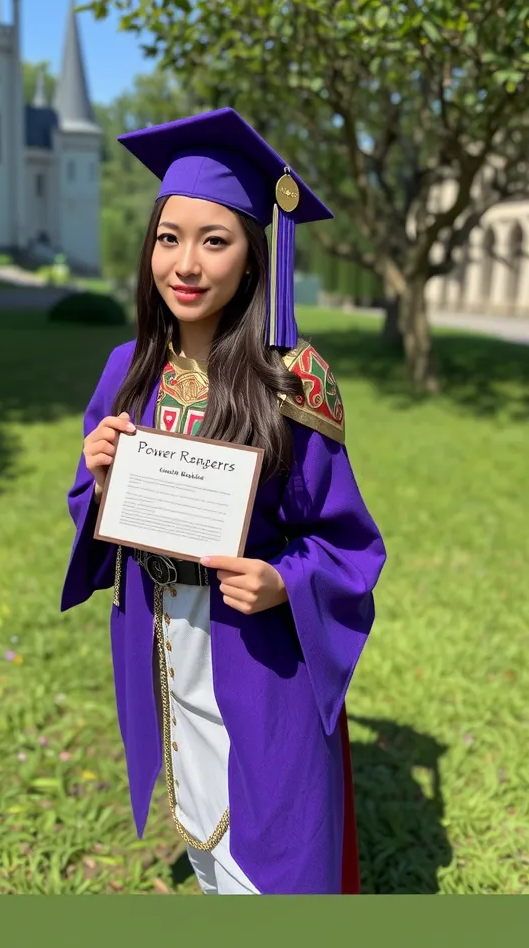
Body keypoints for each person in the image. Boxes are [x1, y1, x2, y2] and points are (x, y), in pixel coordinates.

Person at [60, 107, 387, 895]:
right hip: (163, 640)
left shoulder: (292, 379)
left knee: (275, 842)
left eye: (216, 240)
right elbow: (92, 511)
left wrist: (284, 582)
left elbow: (345, 543)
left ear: (252, 257)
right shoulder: (128, 366)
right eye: (170, 239)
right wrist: (101, 481)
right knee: (203, 820)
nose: (187, 263)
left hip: (254, 653)